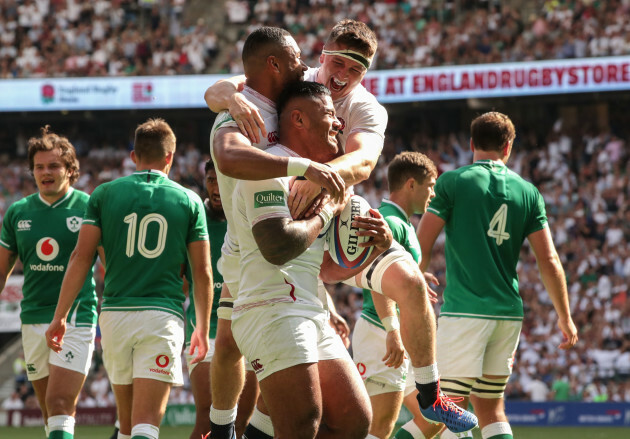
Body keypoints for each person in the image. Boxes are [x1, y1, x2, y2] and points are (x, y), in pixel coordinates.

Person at [207, 22, 477, 438]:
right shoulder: (287, 85)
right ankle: (222, 428)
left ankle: (430, 392)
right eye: (338, 62)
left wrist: (319, 179)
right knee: (231, 346)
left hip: (334, 208)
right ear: (321, 54)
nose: (342, 76)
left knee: (410, 284)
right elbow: (235, 88)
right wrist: (225, 95)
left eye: (355, 69)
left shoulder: (367, 107)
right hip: (260, 243)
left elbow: (365, 162)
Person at [230, 80, 386, 439]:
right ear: (298, 119)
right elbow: (278, 247)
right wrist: (329, 212)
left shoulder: (321, 179)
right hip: (270, 306)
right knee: (302, 422)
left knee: (354, 420)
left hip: (308, 308)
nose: (339, 124)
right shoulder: (268, 165)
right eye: (330, 115)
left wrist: (375, 245)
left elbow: (328, 270)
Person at [46, 118, 213, 439]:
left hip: (115, 317)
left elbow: (81, 258)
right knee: (146, 424)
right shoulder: (189, 200)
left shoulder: (104, 194)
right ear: (170, 157)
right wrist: (201, 328)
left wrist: (60, 316)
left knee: (125, 425)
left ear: (134, 156)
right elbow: (202, 272)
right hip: (161, 316)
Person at [417, 111, 579, 439]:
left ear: (472, 143)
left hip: (465, 311)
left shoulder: (453, 181)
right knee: (491, 409)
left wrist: (413, 280)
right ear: (508, 148)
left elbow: (422, 241)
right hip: (508, 314)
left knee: (439, 408)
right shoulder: (529, 192)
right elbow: (548, 259)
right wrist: (565, 316)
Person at [0, 126, 98, 439]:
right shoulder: (17, 212)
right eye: (39, 167)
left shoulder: (89, 207)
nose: (46, 172)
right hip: (32, 319)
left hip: (77, 316)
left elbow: (109, 263)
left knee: (59, 403)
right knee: (49, 414)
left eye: (54, 166)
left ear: (71, 171)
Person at [350, 151, 439, 439]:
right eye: (431, 185)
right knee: (380, 426)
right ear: (411, 184)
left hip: (398, 335)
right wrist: (392, 330)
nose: (433, 194)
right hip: (383, 333)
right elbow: (377, 279)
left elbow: (393, 274)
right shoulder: (390, 221)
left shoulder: (402, 223)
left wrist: (415, 277)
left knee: (435, 416)